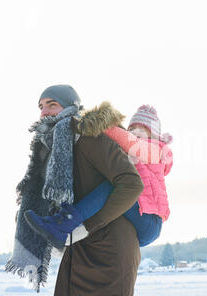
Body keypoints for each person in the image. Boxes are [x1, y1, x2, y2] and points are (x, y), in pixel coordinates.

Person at [8, 84, 144, 296]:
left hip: (110, 249)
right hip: (78, 248)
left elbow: (131, 183)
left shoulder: (89, 137)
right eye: (41, 106)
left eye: (52, 105)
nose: (44, 112)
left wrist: (87, 227)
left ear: (72, 107)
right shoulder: (52, 148)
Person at [25, 103, 173, 249]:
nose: (134, 132)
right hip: (137, 213)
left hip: (150, 221)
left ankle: (64, 223)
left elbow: (130, 142)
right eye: (132, 128)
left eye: (142, 129)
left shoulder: (157, 150)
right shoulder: (133, 152)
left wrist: (98, 124)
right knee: (112, 182)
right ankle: (65, 236)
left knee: (115, 187)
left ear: (153, 135)